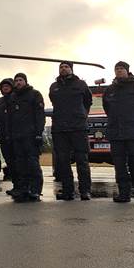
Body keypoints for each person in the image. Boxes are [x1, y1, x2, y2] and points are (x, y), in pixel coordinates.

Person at [103, 61, 134, 204]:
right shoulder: (110, 90)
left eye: (121, 69)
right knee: (119, 165)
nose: (119, 71)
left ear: (127, 71)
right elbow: (108, 109)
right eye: (117, 69)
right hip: (116, 133)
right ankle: (124, 194)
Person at [49, 61, 93, 200]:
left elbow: (88, 101)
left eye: (66, 67)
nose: (63, 69)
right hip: (60, 129)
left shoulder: (81, 84)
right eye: (61, 67)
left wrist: (81, 115)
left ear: (71, 70)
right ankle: (68, 191)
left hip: (78, 128)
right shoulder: (54, 86)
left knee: (82, 160)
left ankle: (85, 190)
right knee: (63, 161)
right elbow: (53, 101)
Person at [7, 73, 45, 202]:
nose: (18, 82)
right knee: (20, 164)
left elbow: (40, 116)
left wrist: (39, 133)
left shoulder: (35, 94)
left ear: (25, 81)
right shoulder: (12, 97)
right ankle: (23, 189)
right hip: (17, 136)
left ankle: (35, 190)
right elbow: (10, 118)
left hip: (30, 135)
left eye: (20, 80)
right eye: (16, 80)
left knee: (32, 163)